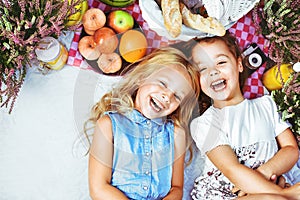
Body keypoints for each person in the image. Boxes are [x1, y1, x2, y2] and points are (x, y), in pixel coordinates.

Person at [186, 32, 300, 199]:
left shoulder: (267, 105)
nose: (213, 72)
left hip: (268, 186)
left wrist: (265, 172)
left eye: (221, 62)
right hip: (225, 194)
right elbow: (232, 169)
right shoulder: (204, 123)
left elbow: (290, 149)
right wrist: (285, 194)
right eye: (203, 68)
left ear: (239, 65)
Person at [84, 47, 201, 200]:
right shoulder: (108, 125)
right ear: (142, 78)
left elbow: (176, 189)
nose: (167, 96)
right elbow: (99, 189)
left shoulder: (176, 134)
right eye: (163, 83)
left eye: (177, 96)